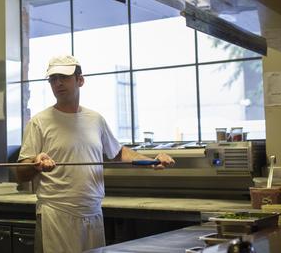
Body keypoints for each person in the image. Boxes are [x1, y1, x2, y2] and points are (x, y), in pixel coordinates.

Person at [17, 55, 175, 253]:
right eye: (53, 79)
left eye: (63, 77)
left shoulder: (95, 119)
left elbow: (118, 153)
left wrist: (151, 161)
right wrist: (35, 162)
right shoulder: (39, 122)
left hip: (92, 212)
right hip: (56, 214)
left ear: (80, 80)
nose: (58, 83)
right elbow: (21, 171)